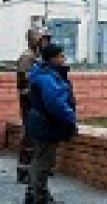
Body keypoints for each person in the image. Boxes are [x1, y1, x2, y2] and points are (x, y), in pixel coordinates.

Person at [24, 43, 77, 204]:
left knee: (39, 159)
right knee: (43, 162)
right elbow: (55, 104)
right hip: (46, 125)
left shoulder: (42, 73)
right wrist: (71, 119)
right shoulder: (47, 77)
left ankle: (34, 194)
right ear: (53, 58)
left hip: (40, 123)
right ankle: (39, 197)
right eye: (61, 56)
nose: (64, 59)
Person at [16, 27, 50, 184]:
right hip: (29, 103)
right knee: (29, 136)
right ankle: (24, 170)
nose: (45, 43)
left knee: (36, 136)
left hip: (37, 103)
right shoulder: (27, 57)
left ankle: (34, 169)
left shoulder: (38, 57)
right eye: (42, 40)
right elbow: (24, 84)